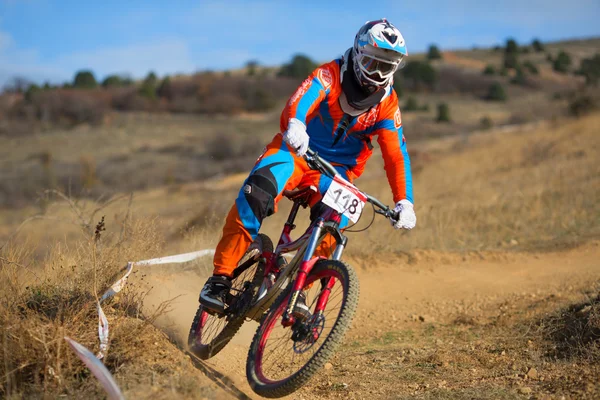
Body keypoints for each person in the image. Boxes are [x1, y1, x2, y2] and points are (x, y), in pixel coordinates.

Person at [199, 18, 416, 315]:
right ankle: (219, 279)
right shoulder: (330, 74)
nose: (377, 73)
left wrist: (404, 200)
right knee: (258, 191)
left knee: (336, 220)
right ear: (357, 53)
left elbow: (396, 155)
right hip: (296, 152)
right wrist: (297, 123)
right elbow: (302, 99)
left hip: (336, 174)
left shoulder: (387, 104)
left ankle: (301, 290)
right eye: (371, 62)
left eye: (386, 66)